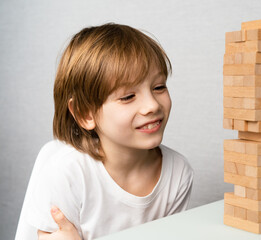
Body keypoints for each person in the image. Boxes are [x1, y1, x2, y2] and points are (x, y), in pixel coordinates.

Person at [15, 23, 194, 240]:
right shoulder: (67, 175)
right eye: (128, 97)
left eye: (159, 87)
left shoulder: (178, 172)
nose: (152, 105)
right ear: (85, 113)